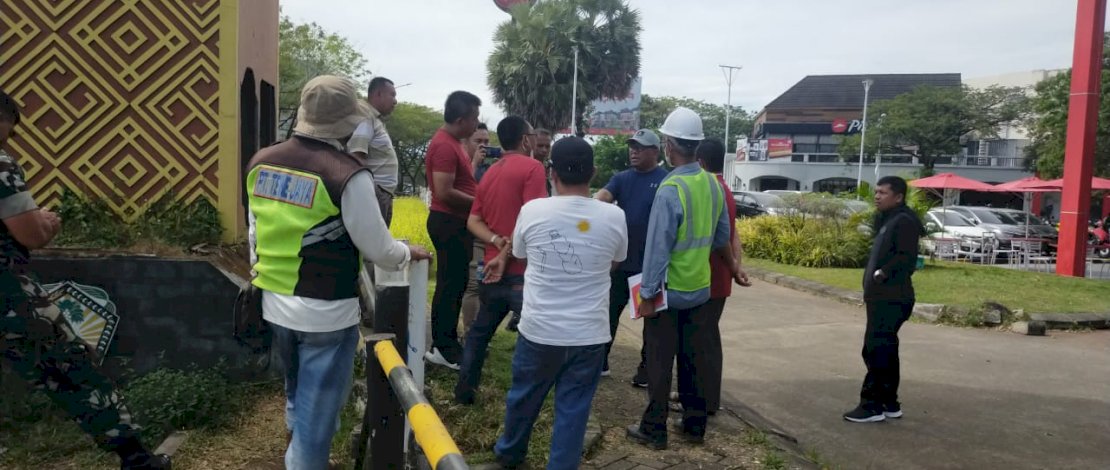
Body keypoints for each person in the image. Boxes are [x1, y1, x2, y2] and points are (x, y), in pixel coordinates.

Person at [247, 75, 431, 469]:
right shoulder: (347, 174)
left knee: (296, 392)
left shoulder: (261, 160)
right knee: (318, 421)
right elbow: (378, 247)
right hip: (325, 315)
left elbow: (254, 233)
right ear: (349, 122)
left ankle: (295, 448)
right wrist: (405, 253)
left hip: (273, 304)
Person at [0, 91, 171, 470]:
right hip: (7, 292)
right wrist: (44, 222)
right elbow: (30, 234)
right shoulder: (1, 164)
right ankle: (136, 458)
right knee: (70, 364)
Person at [492, 136, 628, 469]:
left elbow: (521, 254)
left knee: (523, 398)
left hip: (539, 330)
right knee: (574, 410)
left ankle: (509, 455)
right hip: (589, 335)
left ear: (550, 172)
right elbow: (615, 260)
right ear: (593, 173)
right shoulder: (614, 216)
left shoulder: (533, 210)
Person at [625, 108, 744, 450]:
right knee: (695, 359)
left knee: (661, 363)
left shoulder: (670, 187)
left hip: (668, 292)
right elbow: (723, 234)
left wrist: (647, 293)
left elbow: (657, 249)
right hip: (701, 291)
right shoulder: (712, 183)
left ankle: (654, 429)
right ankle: (694, 426)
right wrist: (734, 267)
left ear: (669, 145)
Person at [454, 116, 547, 405]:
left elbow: (473, 220)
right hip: (520, 271)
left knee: (479, 334)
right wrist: (507, 253)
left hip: (490, 270)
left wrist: (496, 243)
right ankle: (527, 401)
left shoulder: (490, 172)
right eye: (532, 135)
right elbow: (532, 220)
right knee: (535, 340)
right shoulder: (533, 168)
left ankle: (464, 393)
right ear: (524, 140)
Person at [843, 176, 923, 423]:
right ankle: (889, 402)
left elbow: (906, 258)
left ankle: (872, 405)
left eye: (883, 193)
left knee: (876, 349)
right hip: (881, 297)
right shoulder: (889, 219)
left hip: (892, 297)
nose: (877, 196)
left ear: (898, 197)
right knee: (885, 350)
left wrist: (882, 273)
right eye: (876, 192)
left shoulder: (904, 221)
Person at [595, 128, 668, 381]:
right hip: (621, 263)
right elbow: (601, 198)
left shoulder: (665, 180)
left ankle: (646, 372)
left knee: (652, 321)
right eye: (632, 147)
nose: (634, 152)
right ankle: (600, 362)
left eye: (640, 147)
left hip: (650, 267)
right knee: (608, 314)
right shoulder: (622, 178)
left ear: (655, 152)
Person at [424, 91, 482, 370]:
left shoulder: (455, 142)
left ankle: (447, 341)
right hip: (448, 222)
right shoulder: (445, 146)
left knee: (455, 284)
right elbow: (444, 191)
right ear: (461, 119)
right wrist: (482, 203)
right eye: (474, 118)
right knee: (449, 286)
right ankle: (443, 347)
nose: (477, 123)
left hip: (456, 223)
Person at [694, 138, 750, 415]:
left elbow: (721, 237)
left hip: (710, 277)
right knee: (707, 339)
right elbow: (734, 233)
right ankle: (702, 396)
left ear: (700, 162)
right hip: (719, 276)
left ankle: (706, 401)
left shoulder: (711, 189)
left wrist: (732, 266)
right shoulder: (723, 189)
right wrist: (736, 266)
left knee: (704, 342)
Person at [347, 76, 399, 225]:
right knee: (374, 245)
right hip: (375, 194)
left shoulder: (375, 120)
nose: (395, 101)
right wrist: (369, 192)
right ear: (378, 94)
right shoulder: (366, 119)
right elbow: (357, 156)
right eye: (392, 95)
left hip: (382, 194)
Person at [461, 123, 492, 337]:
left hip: (489, 234)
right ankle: (470, 332)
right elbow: (465, 190)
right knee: (473, 285)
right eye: (478, 141)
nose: (483, 146)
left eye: (487, 142)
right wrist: (473, 164)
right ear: (465, 142)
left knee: (484, 286)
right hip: (469, 234)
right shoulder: (464, 165)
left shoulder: (491, 169)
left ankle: (480, 332)